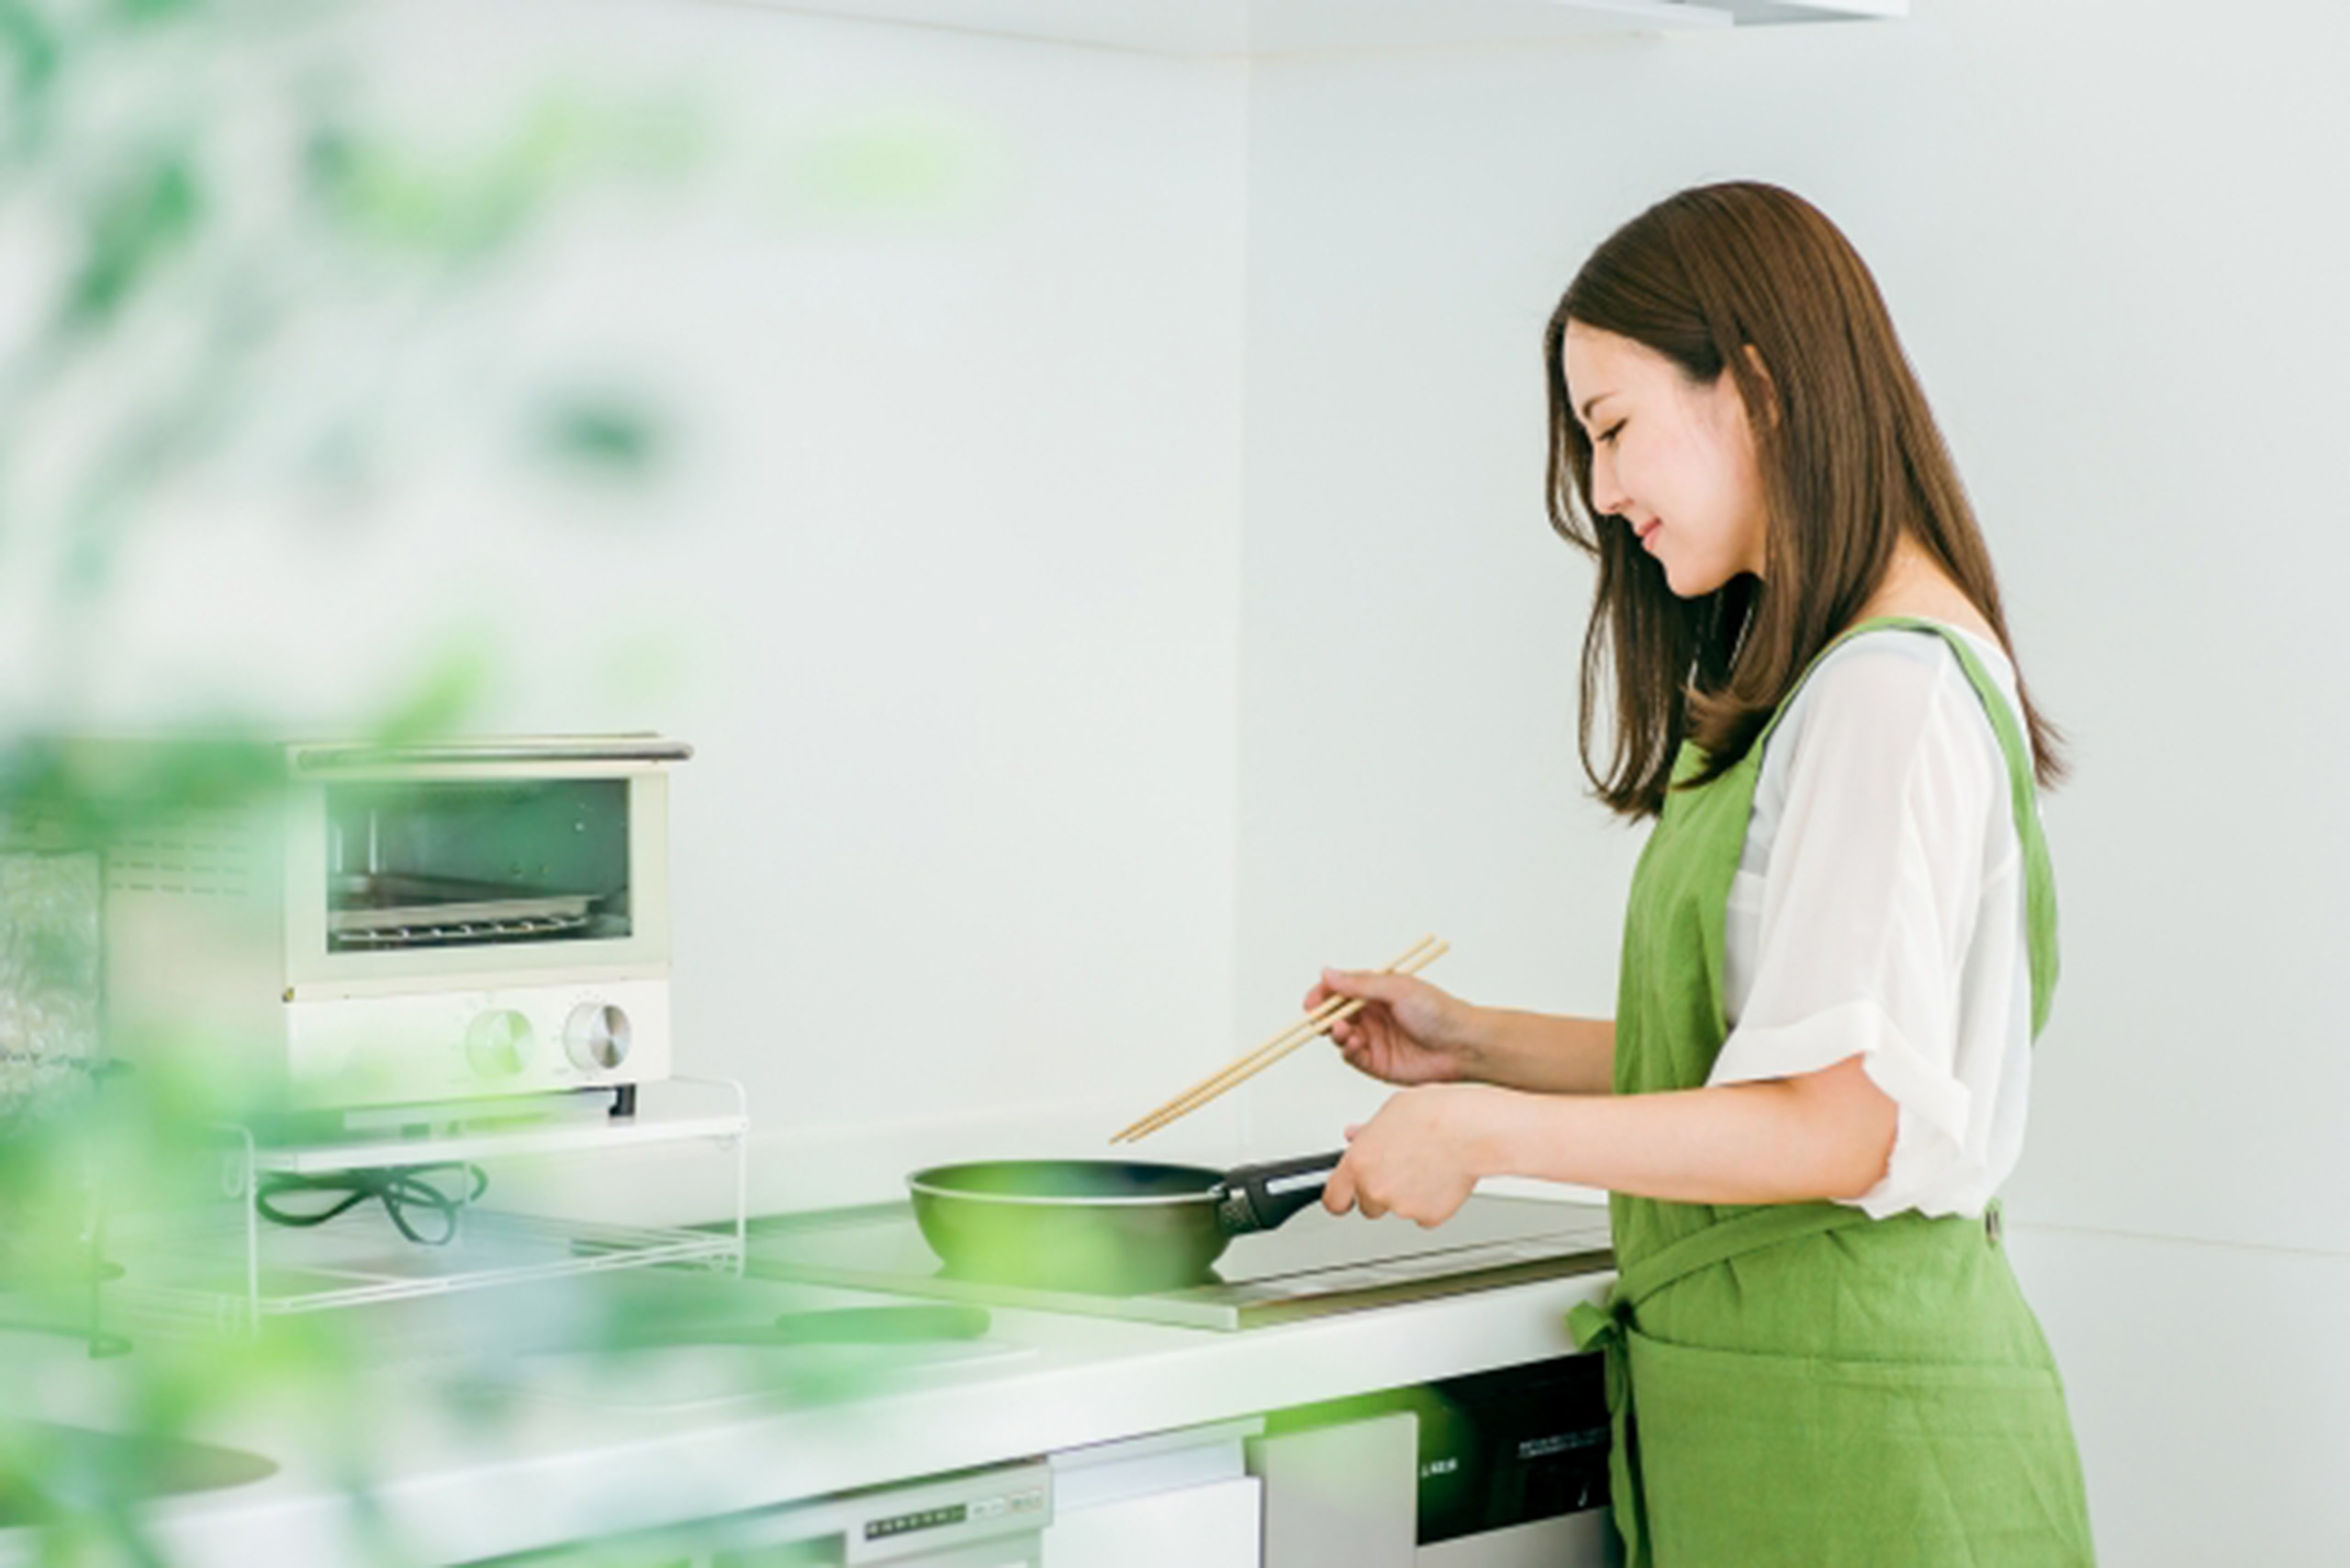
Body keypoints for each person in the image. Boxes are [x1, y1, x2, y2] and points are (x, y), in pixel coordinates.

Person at [1306, 182, 2096, 1566]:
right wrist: (1475, 1044)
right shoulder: (1845, 679)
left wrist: (1485, 1131)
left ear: (1759, 392)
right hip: (1801, 1415)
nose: (1604, 494)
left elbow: (1839, 1124)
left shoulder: (1886, 693)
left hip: (1869, 1455)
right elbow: (1771, 1066)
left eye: (1614, 429)